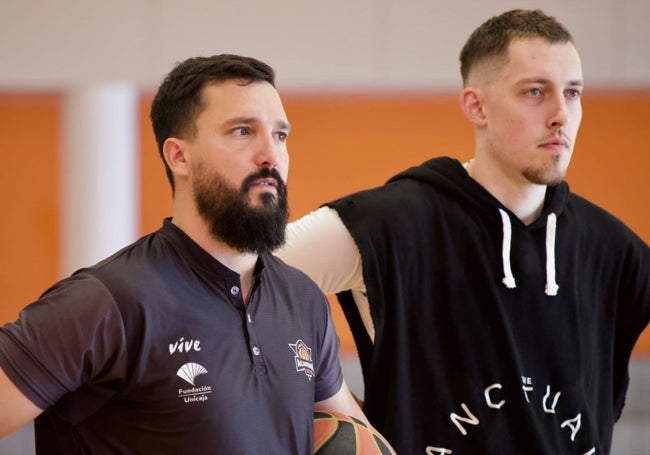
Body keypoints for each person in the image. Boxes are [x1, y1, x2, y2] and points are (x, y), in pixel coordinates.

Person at [276, 9, 650, 454]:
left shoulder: (616, 251)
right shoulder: (390, 225)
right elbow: (226, 278)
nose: (560, 115)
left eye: (573, 93)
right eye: (535, 91)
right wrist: (340, 407)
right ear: (476, 106)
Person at [0, 54, 375, 454]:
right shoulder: (105, 302)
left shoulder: (303, 300)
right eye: (242, 131)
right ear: (179, 156)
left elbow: (355, 437)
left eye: (280, 135)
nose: (271, 155)